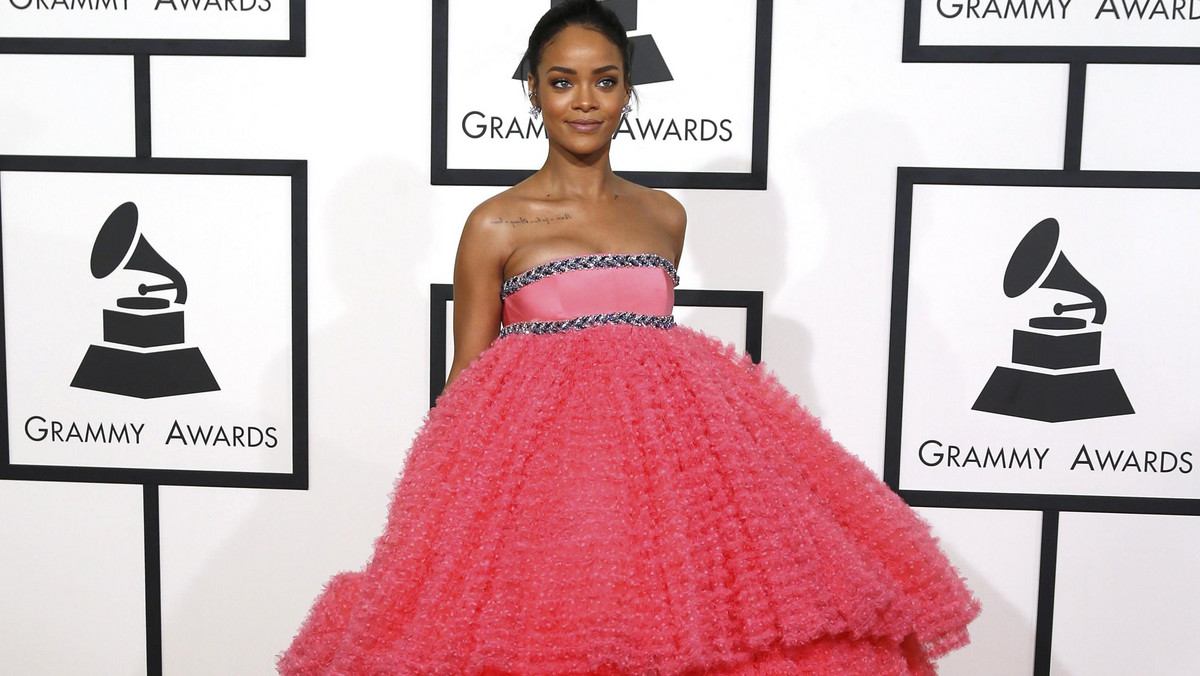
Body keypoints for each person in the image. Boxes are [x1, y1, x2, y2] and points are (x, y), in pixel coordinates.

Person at [278, 1, 980, 674]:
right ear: (533, 91)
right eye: (562, 81)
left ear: (627, 91)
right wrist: (435, 527)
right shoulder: (495, 223)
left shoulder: (664, 215)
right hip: (549, 493)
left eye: (605, 80)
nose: (584, 100)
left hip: (665, 486)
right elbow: (468, 376)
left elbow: (648, 351)